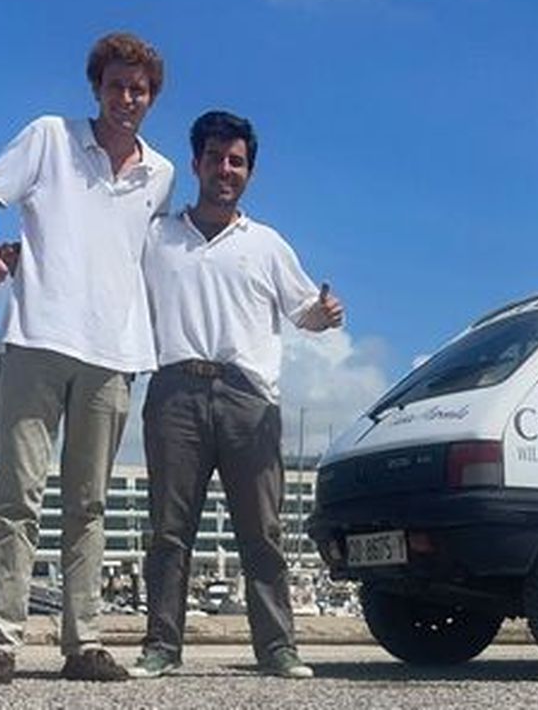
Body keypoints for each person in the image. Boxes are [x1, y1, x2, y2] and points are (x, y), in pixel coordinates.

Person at [0, 32, 174, 685]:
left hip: (114, 351)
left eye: (138, 89)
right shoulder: (49, 136)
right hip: (37, 339)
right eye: (116, 86)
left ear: (151, 96)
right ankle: (2, 644)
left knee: (90, 504)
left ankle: (84, 644)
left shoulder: (159, 173)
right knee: (18, 496)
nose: (126, 98)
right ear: (97, 88)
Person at [129, 110, 343, 679]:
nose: (226, 169)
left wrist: (324, 315)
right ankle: (162, 646)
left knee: (262, 531)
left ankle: (277, 648)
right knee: (170, 531)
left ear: (248, 171)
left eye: (237, 161)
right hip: (175, 388)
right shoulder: (157, 237)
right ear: (196, 162)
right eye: (216, 158)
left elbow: (305, 313)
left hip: (249, 396)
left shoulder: (268, 245)